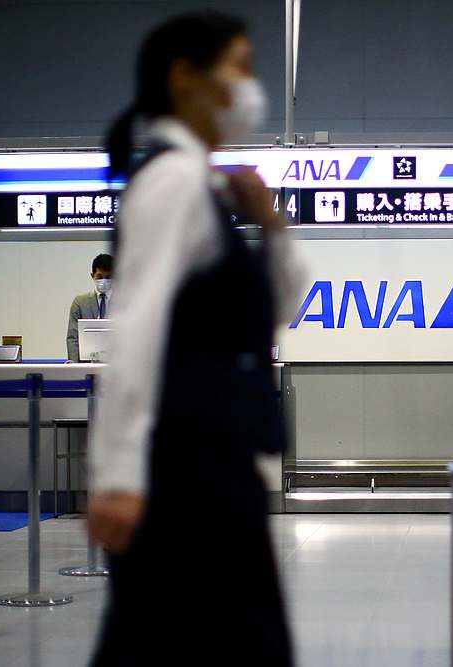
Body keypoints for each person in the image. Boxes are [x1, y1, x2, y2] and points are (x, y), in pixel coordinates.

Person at [87, 11, 303, 666]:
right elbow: (137, 325)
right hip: (181, 474)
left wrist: (272, 225)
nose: (249, 84)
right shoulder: (172, 183)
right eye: (238, 64)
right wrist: (119, 476)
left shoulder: (205, 188)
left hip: (210, 466)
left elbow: (279, 305)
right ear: (185, 79)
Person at [66, 253, 113, 362]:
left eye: (108, 277)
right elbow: (73, 338)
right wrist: (76, 368)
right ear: (92, 276)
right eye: (100, 277)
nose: (104, 281)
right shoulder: (80, 302)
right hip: (86, 365)